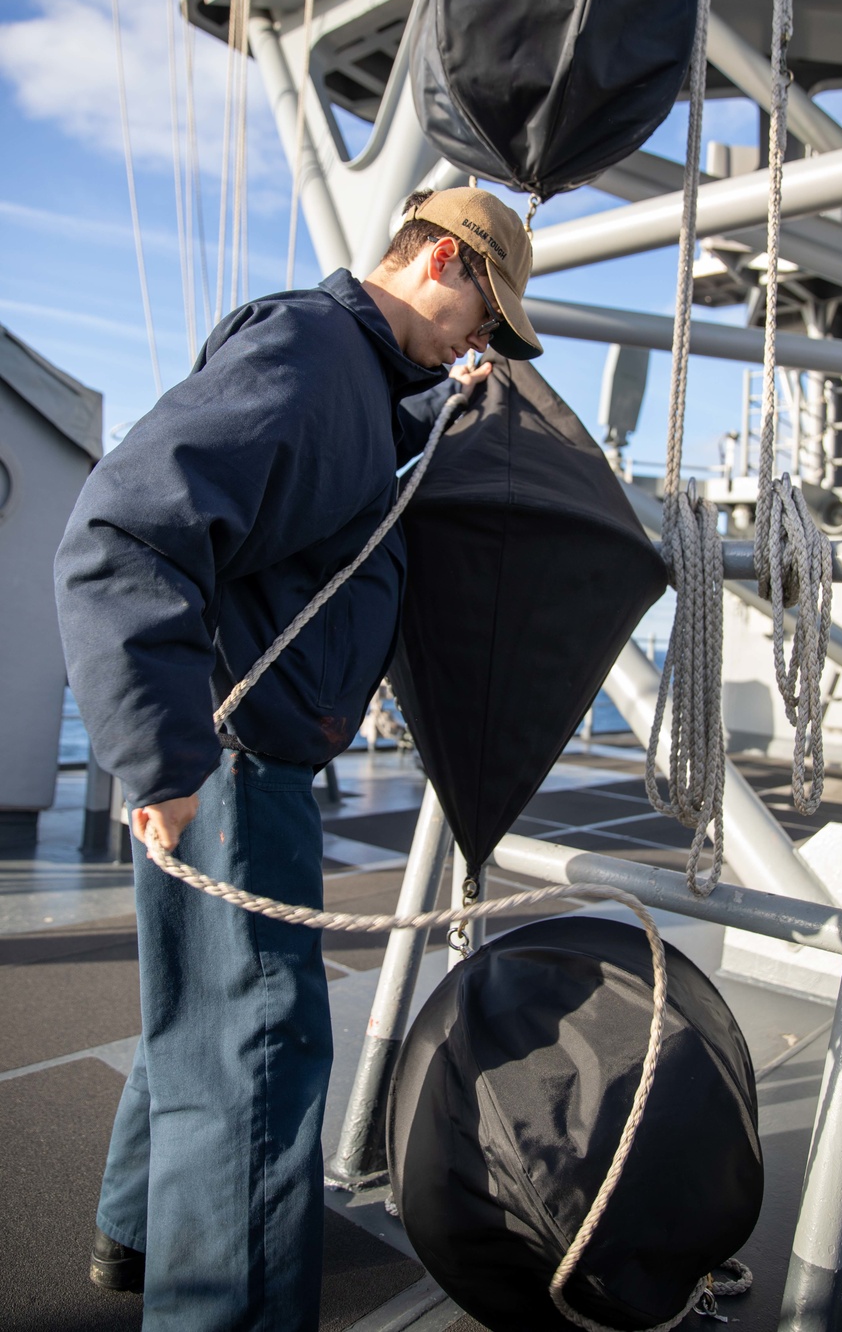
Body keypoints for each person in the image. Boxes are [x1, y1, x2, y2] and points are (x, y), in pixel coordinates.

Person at [55, 186, 541, 1331]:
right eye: (485, 316)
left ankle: (132, 1239)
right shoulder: (318, 358)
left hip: (231, 756)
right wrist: (162, 763)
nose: (483, 342)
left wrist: (435, 412)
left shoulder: (353, 379)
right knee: (260, 1063)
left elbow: (329, 489)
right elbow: (120, 534)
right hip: (228, 769)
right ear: (437, 257)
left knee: (207, 1017)